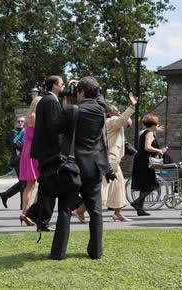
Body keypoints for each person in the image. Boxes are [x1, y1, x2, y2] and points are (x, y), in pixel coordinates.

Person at [49, 77, 111, 260]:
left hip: (72, 166)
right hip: (94, 165)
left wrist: (65, 106)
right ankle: (96, 251)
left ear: (81, 92)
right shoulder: (101, 110)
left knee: (65, 209)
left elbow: (56, 128)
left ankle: (59, 252)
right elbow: (100, 100)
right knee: (95, 210)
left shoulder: (72, 110)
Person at [25, 75, 66, 232]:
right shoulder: (50, 101)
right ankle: (41, 220)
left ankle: (36, 215)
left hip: (45, 151)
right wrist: (60, 149)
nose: (64, 86)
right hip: (50, 152)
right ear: (55, 85)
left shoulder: (46, 101)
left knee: (46, 188)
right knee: (49, 187)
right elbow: (53, 128)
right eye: (62, 83)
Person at [101, 93, 136, 222]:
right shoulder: (110, 121)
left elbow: (127, 122)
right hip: (111, 159)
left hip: (113, 158)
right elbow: (122, 120)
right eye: (114, 109)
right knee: (106, 184)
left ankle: (118, 213)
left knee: (118, 184)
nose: (116, 109)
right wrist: (132, 107)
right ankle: (81, 210)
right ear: (108, 113)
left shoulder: (112, 121)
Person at [129, 113, 167, 216]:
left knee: (145, 186)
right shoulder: (149, 133)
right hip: (144, 161)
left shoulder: (146, 132)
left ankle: (139, 209)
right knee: (152, 185)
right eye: (157, 123)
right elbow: (147, 147)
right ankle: (136, 202)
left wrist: (156, 131)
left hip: (141, 160)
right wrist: (159, 150)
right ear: (154, 124)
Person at [17, 98, 41, 226]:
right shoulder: (34, 116)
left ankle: (26, 213)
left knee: (30, 185)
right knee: (36, 185)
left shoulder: (28, 117)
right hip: (33, 152)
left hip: (28, 151)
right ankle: (28, 213)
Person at [0, 117, 27, 208]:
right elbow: (15, 144)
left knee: (24, 182)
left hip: (24, 159)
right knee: (24, 182)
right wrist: (27, 147)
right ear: (15, 123)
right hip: (17, 160)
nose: (20, 123)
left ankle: (5, 195)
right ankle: (23, 205)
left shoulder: (26, 132)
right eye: (18, 121)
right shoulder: (14, 132)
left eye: (22, 121)